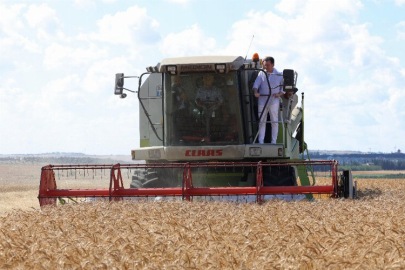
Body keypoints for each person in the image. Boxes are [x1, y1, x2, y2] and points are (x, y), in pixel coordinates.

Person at [252, 56, 285, 144]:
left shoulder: (279, 75)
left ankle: (273, 141)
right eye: (264, 65)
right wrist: (256, 92)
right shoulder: (261, 74)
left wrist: (279, 94)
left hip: (274, 100)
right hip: (262, 100)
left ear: (273, 65)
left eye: (268, 65)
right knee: (262, 121)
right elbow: (256, 85)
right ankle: (261, 141)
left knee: (274, 121)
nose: (266, 67)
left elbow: (284, 88)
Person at [195, 74, 223, 139]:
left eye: (209, 84)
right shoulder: (200, 90)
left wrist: (218, 102)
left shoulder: (216, 90)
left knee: (217, 121)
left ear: (212, 82)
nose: (208, 86)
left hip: (214, 111)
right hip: (203, 110)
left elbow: (221, 100)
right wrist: (199, 102)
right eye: (206, 84)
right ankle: (202, 136)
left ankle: (215, 136)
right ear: (204, 82)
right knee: (197, 118)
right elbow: (196, 100)